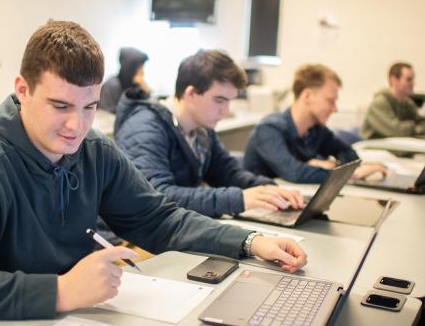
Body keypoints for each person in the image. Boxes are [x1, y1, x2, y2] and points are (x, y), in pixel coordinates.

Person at [0, 21, 307, 321]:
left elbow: (159, 218)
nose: (76, 126)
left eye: (89, 107)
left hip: (70, 324)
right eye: (60, 106)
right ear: (23, 90)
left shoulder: (94, 151)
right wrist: (59, 291)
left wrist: (251, 240)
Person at [113, 49, 304, 218]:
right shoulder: (145, 127)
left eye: (229, 101)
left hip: (168, 230)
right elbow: (158, 197)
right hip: (126, 242)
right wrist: (238, 199)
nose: (226, 110)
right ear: (191, 94)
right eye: (220, 100)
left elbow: (228, 173)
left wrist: (267, 189)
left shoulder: (202, 128)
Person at [244, 64, 386, 184]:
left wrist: (335, 166)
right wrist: (350, 175)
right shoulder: (269, 129)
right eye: (330, 101)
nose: (335, 109)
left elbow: (347, 153)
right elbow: (295, 173)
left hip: (292, 198)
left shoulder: (316, 130)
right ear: (307, 96)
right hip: (257, 208)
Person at [360, 62, 425, 139]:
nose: (413, 83)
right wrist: (415, 127)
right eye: (409, 79)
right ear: (394, 80)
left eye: (413, 79)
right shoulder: (380, 103)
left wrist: (414, 127)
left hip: (395, 144)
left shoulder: (408, 103)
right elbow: (395, 130)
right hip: (374, 145)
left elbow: (421, 122)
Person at [99, 47, 149, 113]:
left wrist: (145, 90)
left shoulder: (135, 86)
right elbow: (105, 115)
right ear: (130, 68)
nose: (142, 71)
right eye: (139, 68)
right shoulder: (112, 86)